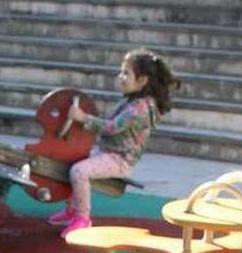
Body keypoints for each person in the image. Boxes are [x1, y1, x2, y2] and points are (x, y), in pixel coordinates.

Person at [48, 48, 180, 238]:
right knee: (74, 162)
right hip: (109, 154)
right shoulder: (133, 101)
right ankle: (72, 209)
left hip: (120, 161)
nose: (121, 77)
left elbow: (111, 127)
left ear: (142, 80)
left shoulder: (140, 108)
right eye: (121, 72)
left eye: (126, 73)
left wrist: (83, 118)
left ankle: (82, 218)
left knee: (79, 171)